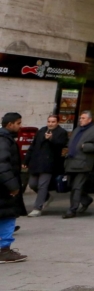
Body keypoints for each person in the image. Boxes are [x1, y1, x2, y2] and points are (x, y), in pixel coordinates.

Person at [24, 114, 68, 216]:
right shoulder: (41, 130)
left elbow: (61, 145)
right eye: (49, 121)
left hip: (49, 163)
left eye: (53, 122)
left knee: (42, 185)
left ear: (57, 122)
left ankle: (37, 208)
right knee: (33, 184)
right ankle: (47, 197)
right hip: (36, 162)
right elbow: (33, 146)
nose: (50, 124)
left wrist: (51, 139)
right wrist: (26, 161)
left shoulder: (61, 132)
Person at [63, 110, 94, 219]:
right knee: (71, 186)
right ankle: (86, 200)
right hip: (71, 162)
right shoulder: (77, 129)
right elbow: (71, 142)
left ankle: (72, 210)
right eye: (80, 118)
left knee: (77, 187)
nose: (80, 120)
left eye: (83, 118)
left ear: (89, 120)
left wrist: (85, 146)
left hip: (83, 163)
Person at [0, 112, 27, 263]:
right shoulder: (4, 140)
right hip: (4, 187)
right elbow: (2, 164)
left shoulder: (5, 139)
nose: (20, 126)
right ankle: (4, 250)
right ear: (10, 124)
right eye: (18, 123)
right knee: (7, 217)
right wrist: (13, 186)